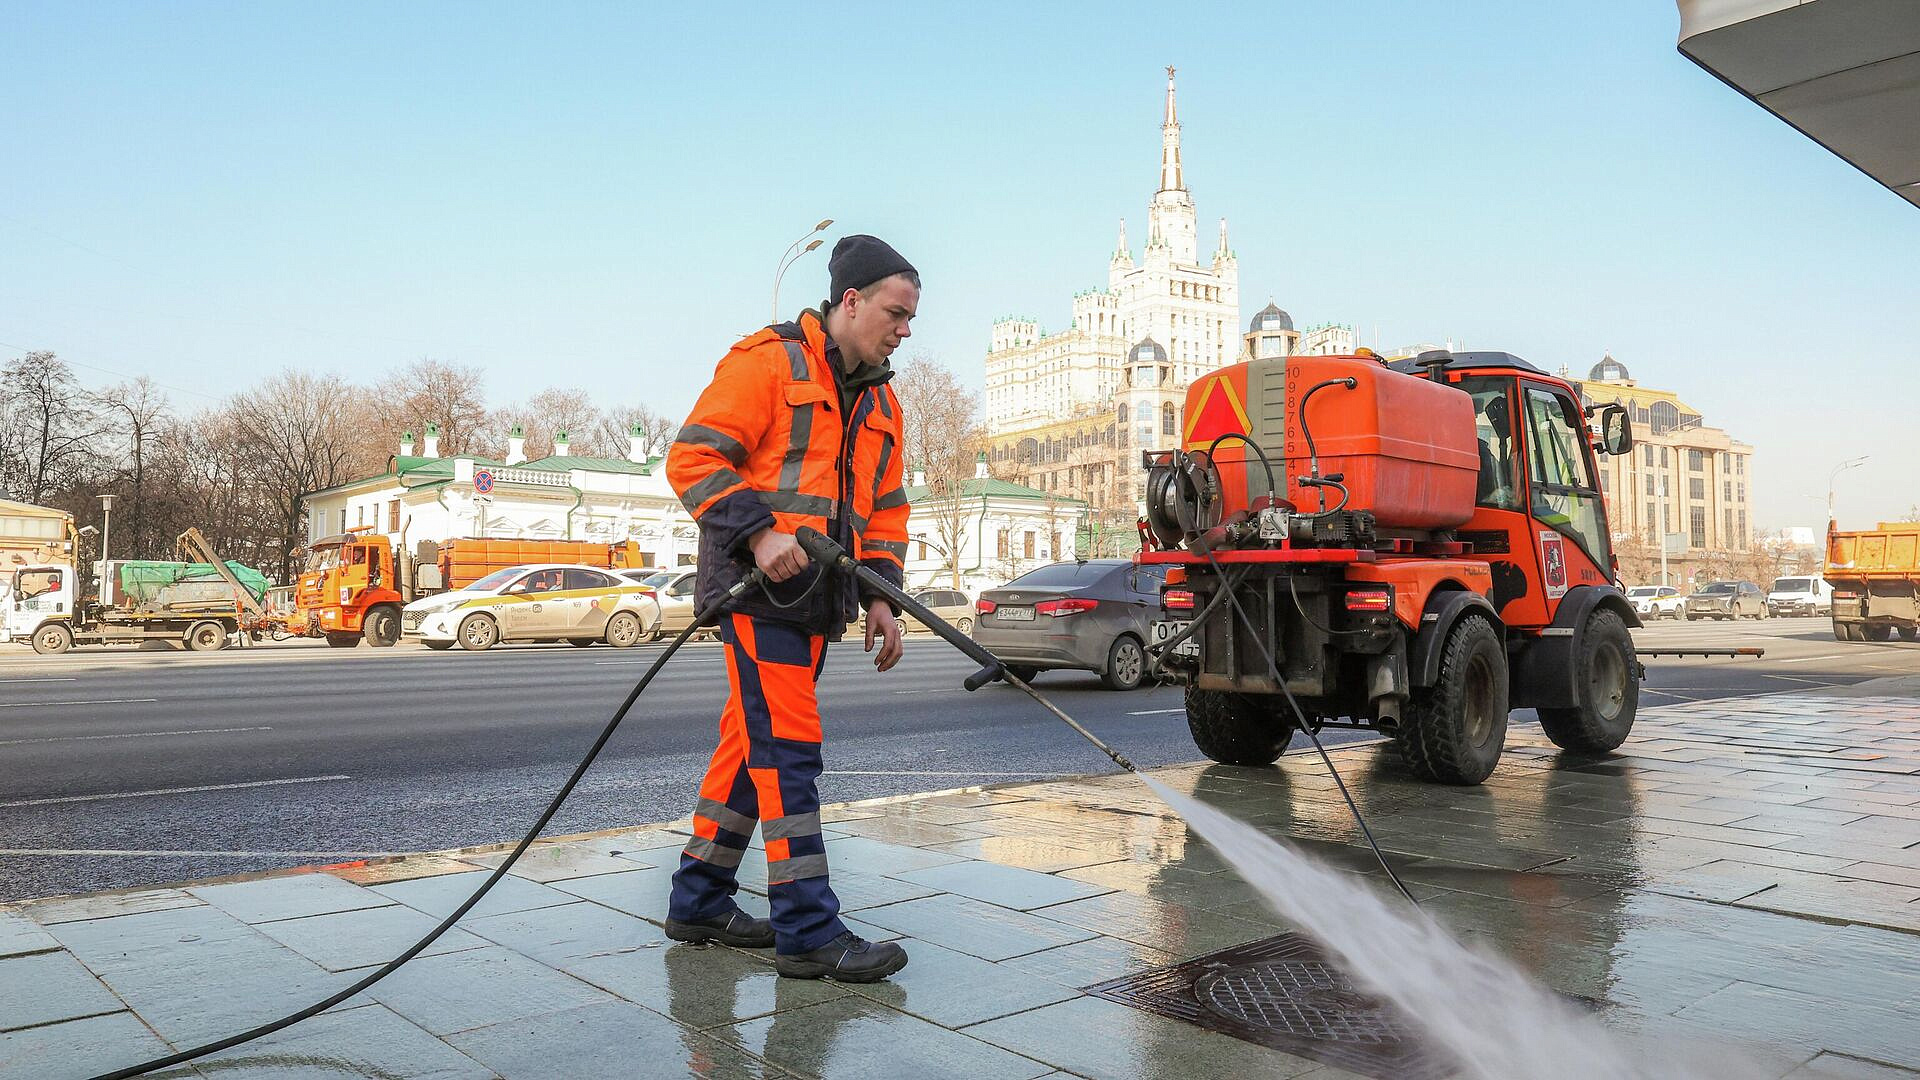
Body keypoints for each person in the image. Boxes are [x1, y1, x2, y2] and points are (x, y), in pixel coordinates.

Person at [662, 234, 917, 982]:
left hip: (818, 603)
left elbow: (887, 511)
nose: (904, 330)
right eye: (895, 313)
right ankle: (807, 929)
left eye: (910, 320)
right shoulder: (768, 362)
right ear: (851, 301)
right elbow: (692, 459)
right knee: (789, 750)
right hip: (754, 595)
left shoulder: (883, 400)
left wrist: (880, 596)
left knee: (752, 748)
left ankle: (699, 897)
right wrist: (761, 531)